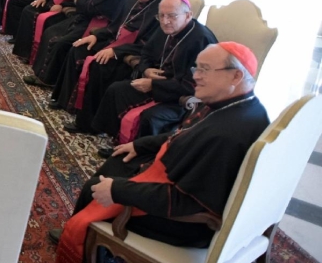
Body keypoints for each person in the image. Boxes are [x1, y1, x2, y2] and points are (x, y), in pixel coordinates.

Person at [51, 43, 269, 263]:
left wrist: (118, 190)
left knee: (96, 187)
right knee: (119, 161)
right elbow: (185, 135)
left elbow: (187, 201)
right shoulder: (236, 105)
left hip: (184, 223)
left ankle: (87, 247)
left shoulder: (228, 135)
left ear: (236, 76)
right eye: (196, 69)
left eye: (204, 69)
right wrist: (141, 145)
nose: (196, 77)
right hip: (178, 180)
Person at [91, 0, 217, 148]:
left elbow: (193, 85)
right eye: (161, 15)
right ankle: (116, 141)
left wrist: (153, 85)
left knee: (150, 117)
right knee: (117, 89)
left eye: (171, 15)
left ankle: (139, 154)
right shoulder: (165, 28)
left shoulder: (202, 40)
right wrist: (146, 70)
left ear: (188, 15)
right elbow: (146, 53)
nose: (165, 21)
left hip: (179, 98)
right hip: (158, 83)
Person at [53, 0, 165, 120]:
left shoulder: (163, 10)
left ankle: (89, 120)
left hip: (131, 54)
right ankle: (65, 101)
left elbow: (148, 46)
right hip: (115, 43)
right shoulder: (132, 0)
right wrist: (97, 37)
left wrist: (116, 51)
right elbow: (115, 26)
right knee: (77, 49)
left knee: (99, 65)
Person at [24, 0, 132, 88]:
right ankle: (42, 74)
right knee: (50, 32)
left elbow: (94, 7)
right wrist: (81, 1)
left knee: (60, 42)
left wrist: (80, 1)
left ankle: (49, 80)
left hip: (98, 25)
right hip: (84, 17)